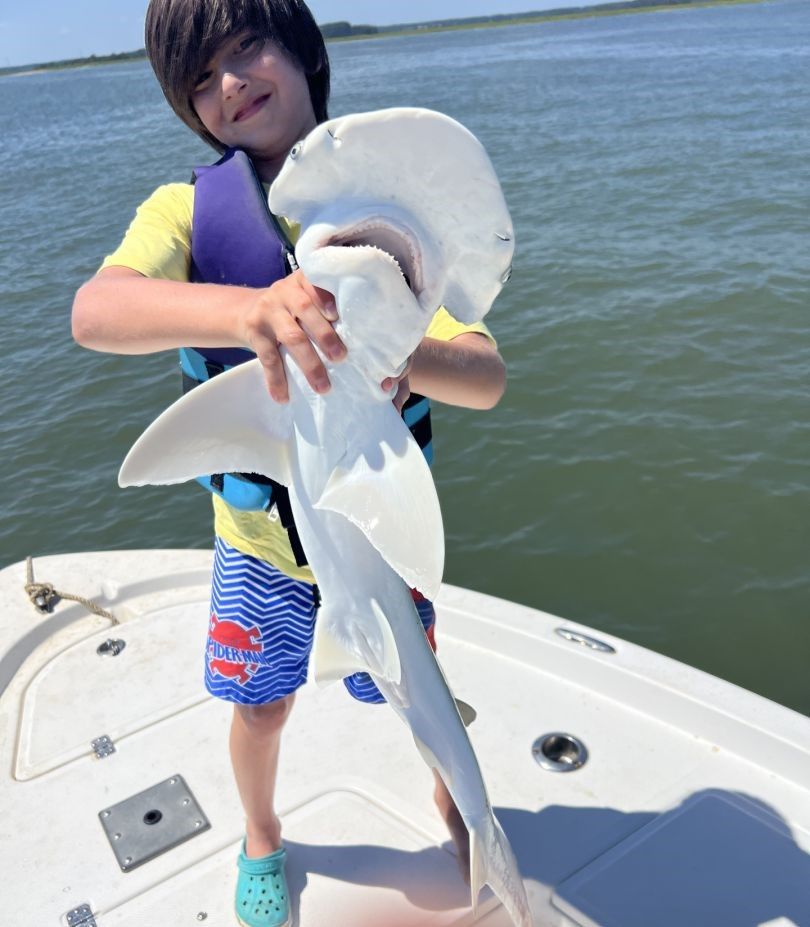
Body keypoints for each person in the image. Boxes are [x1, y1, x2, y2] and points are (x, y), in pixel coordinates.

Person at [71, 1, 507, 925]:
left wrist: (399, 350)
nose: (230, 82)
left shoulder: (389, 213)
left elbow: (486, 375)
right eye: (200, 77)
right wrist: (244, 314)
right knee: (260, 707)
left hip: (378, 532)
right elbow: (96, 312)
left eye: (247, 47)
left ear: (305, 50)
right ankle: (261, 835)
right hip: (258, 541)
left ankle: (456, 811)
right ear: (188, 107)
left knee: (412, 686)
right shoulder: (186, 211)